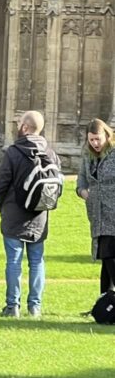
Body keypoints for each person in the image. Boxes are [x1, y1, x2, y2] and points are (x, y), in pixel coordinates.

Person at [0, 109, 60, 318]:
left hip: (14, 213)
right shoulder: (50, 153)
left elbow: (0, 184)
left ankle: (13, 306)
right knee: (37, 260)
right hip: (39, 215)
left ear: (25, 127)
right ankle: (35, 306)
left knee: (14, 261)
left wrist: (2, 206)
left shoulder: (13, 152)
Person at [77, 119, 115, 296]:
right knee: (105, 255)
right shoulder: (87, 154)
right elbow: (82, 177)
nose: (95, 143)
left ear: (107, 135)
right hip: (97, 213)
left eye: (98, 139)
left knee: (109, 254)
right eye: (91, 139)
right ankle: (104, 303)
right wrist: (83, 192)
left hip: (113, 211)